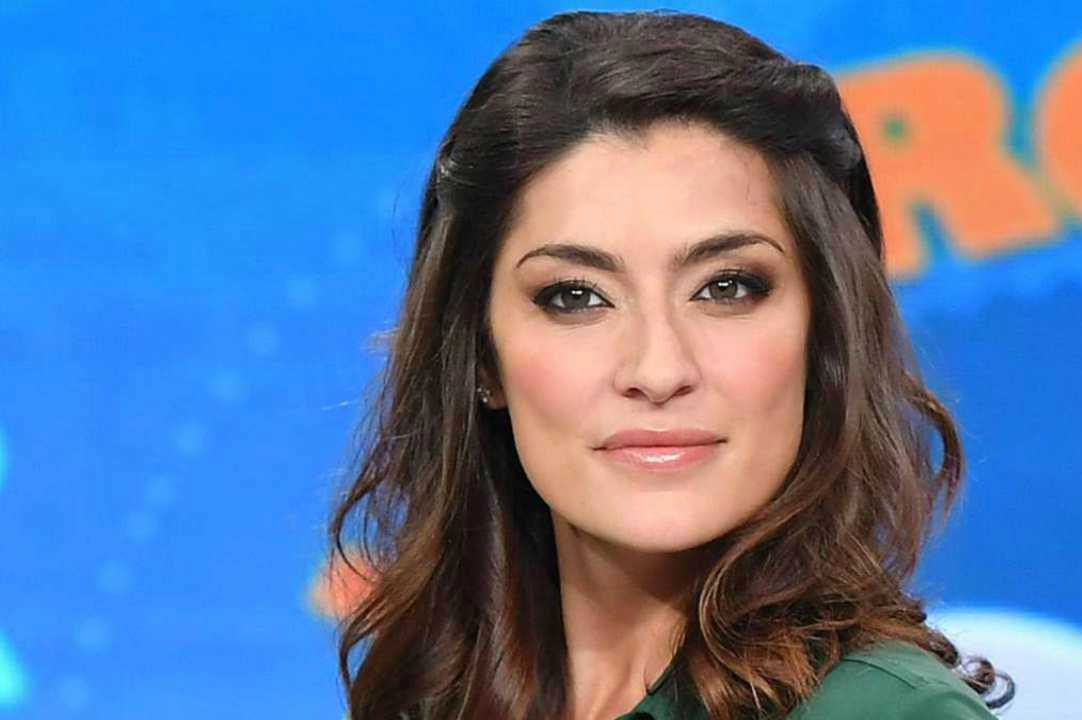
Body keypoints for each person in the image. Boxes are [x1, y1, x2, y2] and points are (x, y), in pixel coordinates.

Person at [327, 9, 1014, 720]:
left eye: (727, 287)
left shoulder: (880, 712)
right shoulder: (437, 700)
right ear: (481, 354)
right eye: (576, 297)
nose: (658, 371)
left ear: (824, 332)